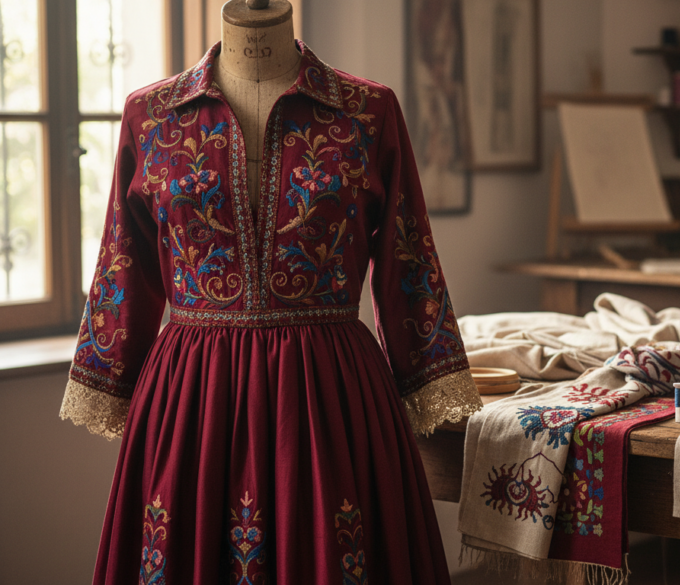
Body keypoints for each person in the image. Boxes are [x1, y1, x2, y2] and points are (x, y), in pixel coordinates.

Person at [59, 1, 481, 582]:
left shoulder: (367, 110)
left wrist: (426, 370)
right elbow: (122, 262)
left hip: (330, 394)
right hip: (192, 402)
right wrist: (109, 371)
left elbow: (407, 258)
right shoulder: (151, 116)